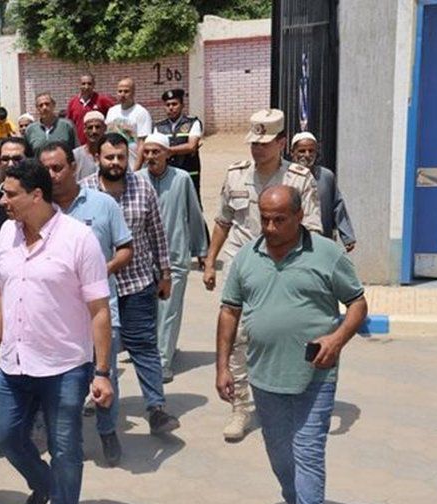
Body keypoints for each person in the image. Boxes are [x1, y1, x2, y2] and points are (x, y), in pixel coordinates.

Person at [217, 184, 367, 504]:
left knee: (308, 452)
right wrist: (221, 366)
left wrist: (337, 339)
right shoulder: (246, 257)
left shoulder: (327, 254)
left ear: (299, 217)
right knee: (279, 452)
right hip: (264, 374)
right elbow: (229, 311)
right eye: (264, 219)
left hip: (315, 373)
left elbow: (357, 303)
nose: (269, 227)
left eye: (279, 219)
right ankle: (294, 500)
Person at [0, 159, 114, 504]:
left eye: (9, 194)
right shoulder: (6, 233)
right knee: (6, 436)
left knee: (65, 450)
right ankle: (44, 487)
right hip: (14, 361)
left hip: (64, 367)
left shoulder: (79, 239)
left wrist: (102, 372)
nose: (2, 200)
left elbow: (99, 309)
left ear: (36, 195)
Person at [202, 109, 322, 442]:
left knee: (284, 336)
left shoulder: (299, 179)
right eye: (254, 143)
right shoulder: (236, 175)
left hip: (285, 269)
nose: (257, 149)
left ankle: (288, 398)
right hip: (242, 267)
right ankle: (240, 407)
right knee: (237, 337)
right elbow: (223, 221)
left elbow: (313, 230)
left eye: (264, 143)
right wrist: (210, 261)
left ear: (282, 142)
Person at [38, 142, 132, 467]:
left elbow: (125, 248)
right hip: (56, 316)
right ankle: (70, 440)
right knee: (62, 382)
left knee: (104, 374)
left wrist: (100, 270)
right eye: (46, 169)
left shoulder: (103, 204)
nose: (52, 175)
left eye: (58, 168)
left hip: (100, 310)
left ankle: (107, 431)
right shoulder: (38, 210)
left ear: (74, 167)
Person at [86, 133, 182, 435]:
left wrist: (165, 273)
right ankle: (98, 398)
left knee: (144, 345)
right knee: (99, 350)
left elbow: (156, 232)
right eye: (109, 157)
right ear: (97, 158)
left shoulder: (142, 187)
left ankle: (156, 408)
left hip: (137, 283)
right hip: (97, 290)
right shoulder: (84, 191)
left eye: (120, 157)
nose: (115, 163)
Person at [138, 134, 208, 383]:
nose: (150, 157)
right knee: (149, 310)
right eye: (147, 152)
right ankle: (157, 350)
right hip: (144, 258)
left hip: (175, 255)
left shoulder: (182, 179)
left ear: (168, 154)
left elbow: (194, 213)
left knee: (169, 310)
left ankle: (163, 361)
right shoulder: (137, 180)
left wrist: (201, 250)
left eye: (156, 152)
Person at [290, 132, 357, 252]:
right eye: (302, 151)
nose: (307, 155)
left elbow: (338, 206)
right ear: (292, 153)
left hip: (322, 240)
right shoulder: (286, 177)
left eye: (311, 151)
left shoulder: (326, 176)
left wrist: (347, 236)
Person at [153, 89, 204, 201]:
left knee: (192, 201)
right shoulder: (158, 126)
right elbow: (155, 148)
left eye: (174, 104)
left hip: (189, 171)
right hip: (166, 172)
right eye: (167, 105)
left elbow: (191, 146)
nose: (171, 107)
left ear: (182, 105)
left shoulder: (192, 123)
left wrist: (169, 151)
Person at [105, 78, 153, 169]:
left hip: (132, 165)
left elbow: (142, 144)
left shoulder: (141, 112)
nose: (122, 94)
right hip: (113, 164)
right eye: (120, 91)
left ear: (133, 93)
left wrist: (136, 169)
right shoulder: (111, 111)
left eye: (126, 91)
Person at [66, 73, 116, 145]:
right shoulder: (72, 103)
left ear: (94, 85)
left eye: (89, 84)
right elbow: (69, 125)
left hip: (99, 144)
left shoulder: (102, 100)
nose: (86, 87)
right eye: (83, 84)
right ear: (79, 85)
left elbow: (116, 113)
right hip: (79, 145)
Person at [73, 111, 105, 183]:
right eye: (90, 127)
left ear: (104, 128)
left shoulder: (111, 154)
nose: (94, 131)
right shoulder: (75, 156)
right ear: (84, 129)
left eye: (97, 127)